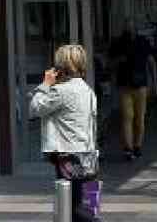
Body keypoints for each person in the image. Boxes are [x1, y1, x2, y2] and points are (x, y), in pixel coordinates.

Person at [29, 44, 99, 222]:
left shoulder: (61, 91)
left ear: (62, 67)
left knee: (72, 207)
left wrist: (45, 84)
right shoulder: (87, 90)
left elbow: (35, 108)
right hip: (88, 152)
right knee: (88, 206)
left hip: (69, 155)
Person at [108, 30, 154, 160]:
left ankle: (137, 146)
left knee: (139, 118)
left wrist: (154, 82)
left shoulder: (143, 42)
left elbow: (151, 61)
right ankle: (128, 148)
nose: (129, 27)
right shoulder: (118, 43)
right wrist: (119, 60)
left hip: (140, 85)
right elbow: (110, 64)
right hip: (125, 86)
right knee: (127, 117)